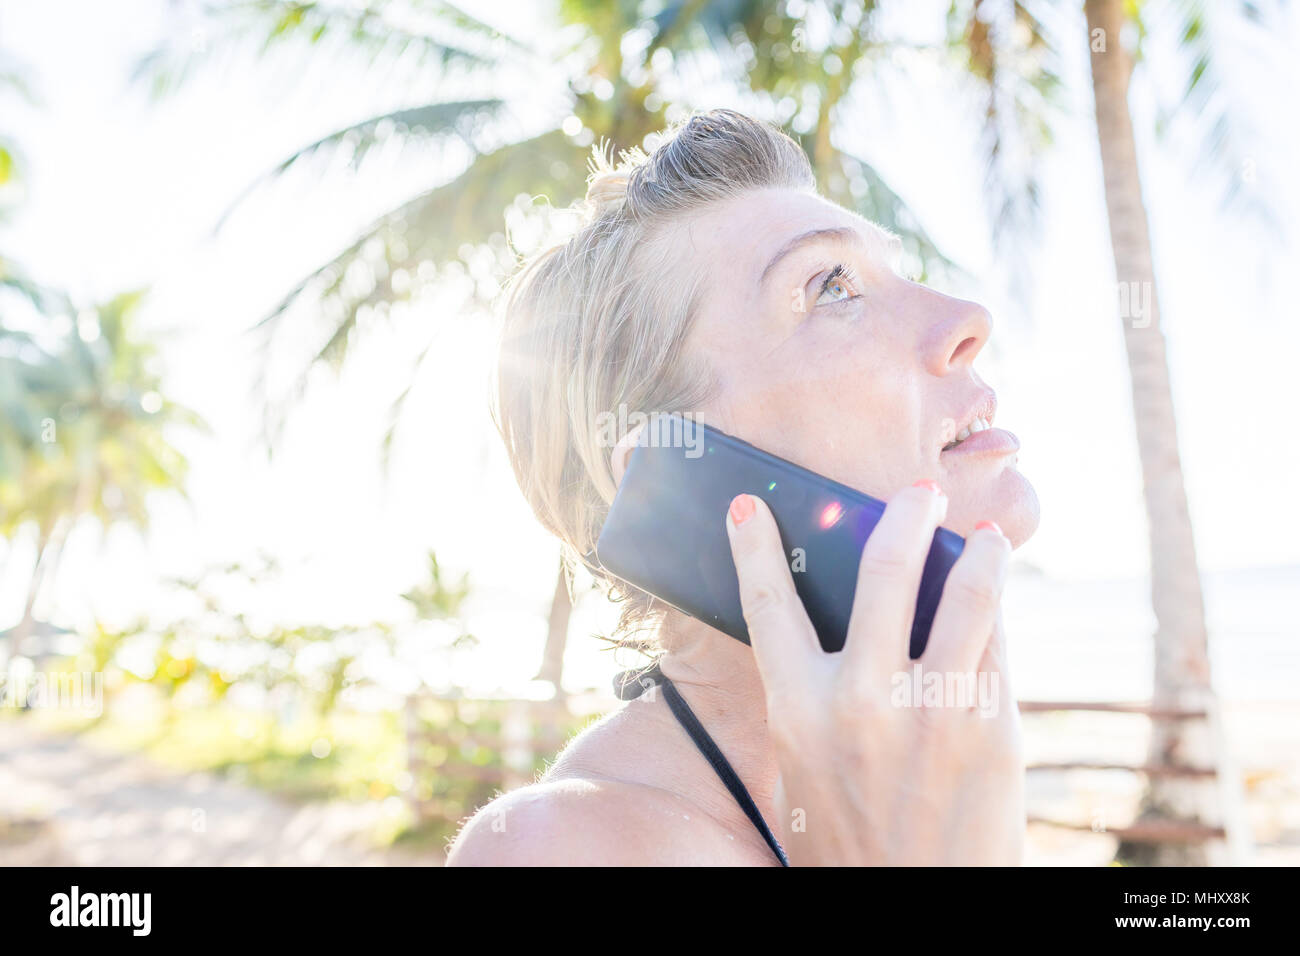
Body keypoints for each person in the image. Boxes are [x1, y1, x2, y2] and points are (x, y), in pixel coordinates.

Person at [447, 109, 1039, 866]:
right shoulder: (555, 849)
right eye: (832, 288)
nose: (968, 318)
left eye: (901, 272)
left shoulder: (949, 774)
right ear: (674, 480)